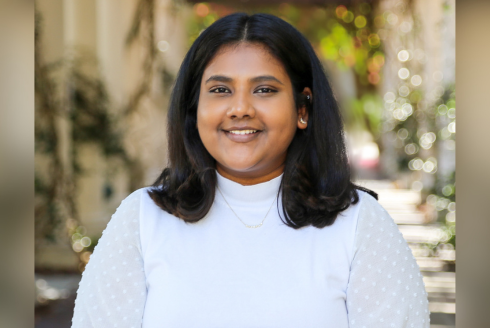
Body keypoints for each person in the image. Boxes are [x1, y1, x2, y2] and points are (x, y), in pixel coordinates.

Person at [72, 13, 430, 328]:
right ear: (194, 108)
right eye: (220, 89)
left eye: (264, 89)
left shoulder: (359, 225)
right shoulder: (143, 220)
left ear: (303, 109)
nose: (240, 108)